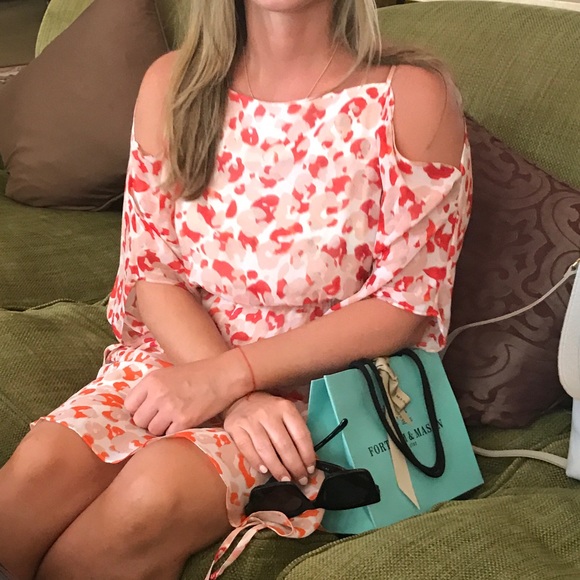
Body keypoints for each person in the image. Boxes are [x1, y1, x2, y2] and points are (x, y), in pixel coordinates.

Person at [0, 0, 472, 578]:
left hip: (322, 397)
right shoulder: (172, 85)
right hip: (183, 357)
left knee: (151, 495)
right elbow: (155, 271)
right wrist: (231, 393)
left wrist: (233, 378)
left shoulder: (411, 97)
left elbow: (403, 305)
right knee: (37, 468)